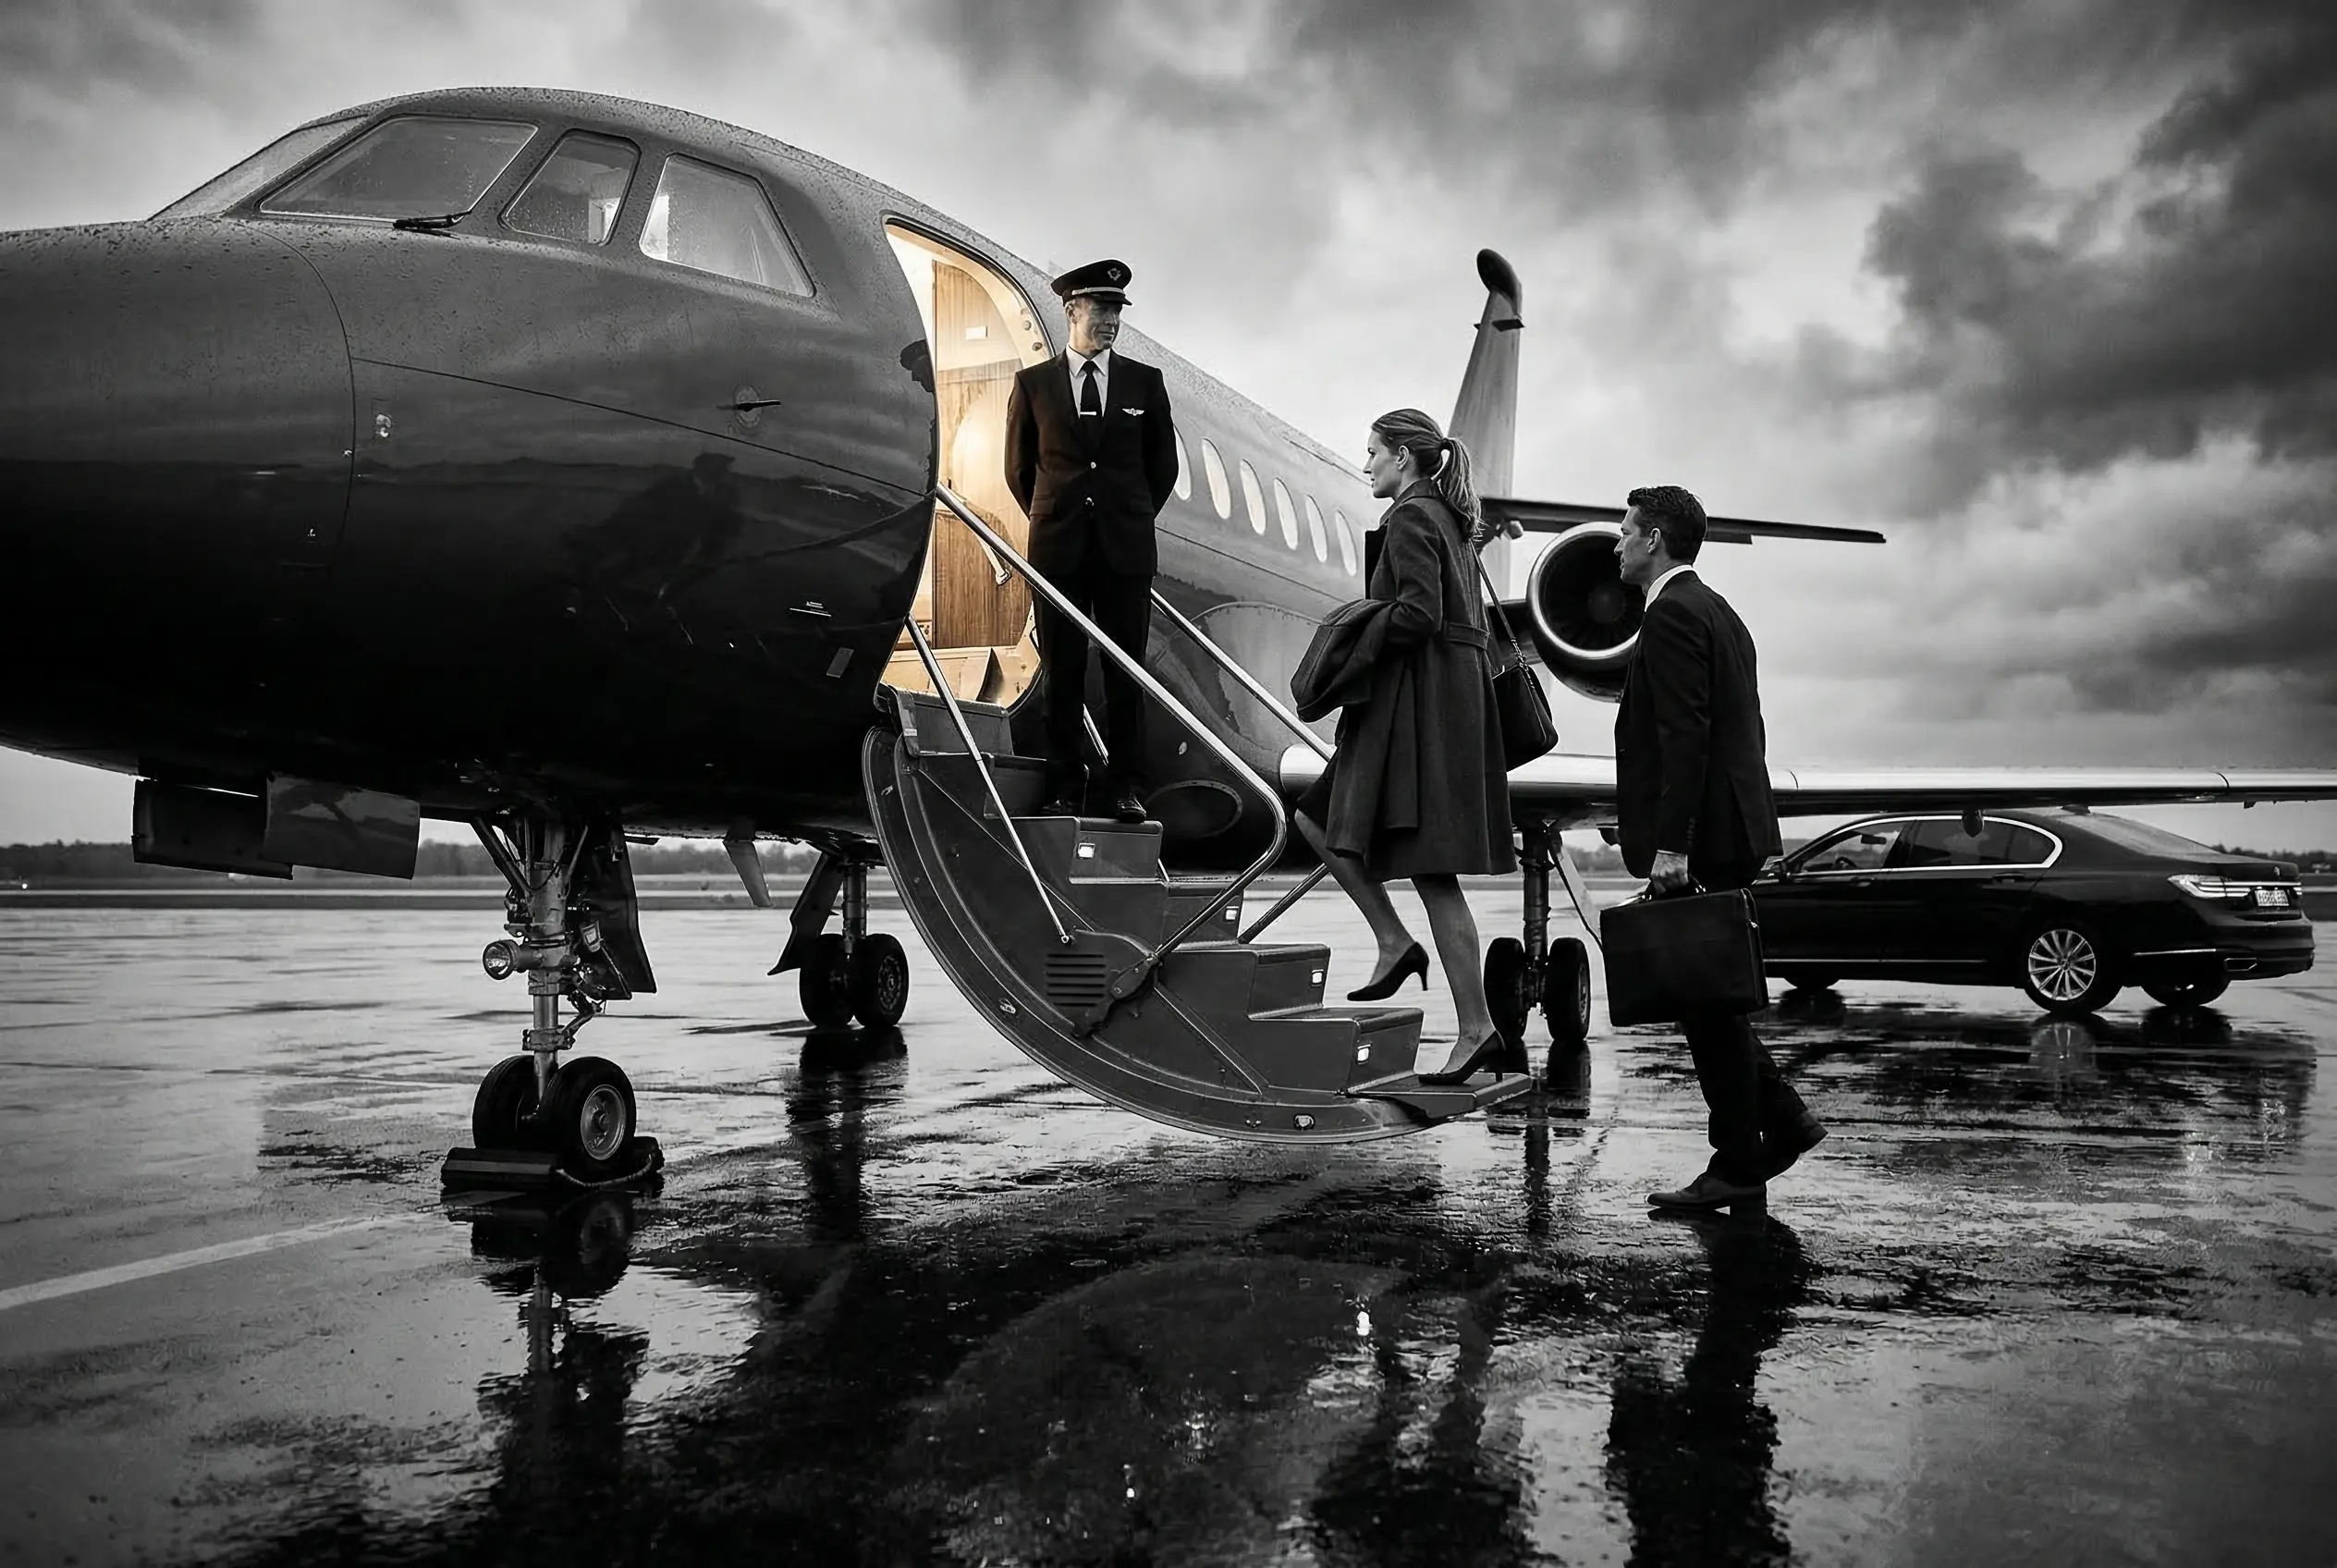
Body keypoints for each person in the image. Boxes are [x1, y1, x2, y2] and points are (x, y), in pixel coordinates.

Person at [1611, 484, 1827, 1209]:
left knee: (1706, 1006)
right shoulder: (1718, 611)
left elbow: (1686, 737)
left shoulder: (1672, 615)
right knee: (1712, 1001)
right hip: (1732, 827)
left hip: (1702, 838)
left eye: (1625, 531)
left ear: (1654, 541)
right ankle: (1783, 1121)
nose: (1615, 543)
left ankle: (1738, 1162)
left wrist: (1675, 845)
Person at [1291, 408, 1517, 1084]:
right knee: (1328, 818)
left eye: (1372, 453)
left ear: (1404, 458)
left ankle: (1474, 1025)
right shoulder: (1446, 520)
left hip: (1416, 712)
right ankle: (1396, 944)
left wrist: (1351, 627)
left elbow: (1418, 614)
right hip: (1440, 707)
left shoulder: (1413, 518)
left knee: (1426, 870)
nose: (1365, 465)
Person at [1004, 258, 1179, 823]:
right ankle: (1064, 782)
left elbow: (1163, 468)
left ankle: (1125, 785)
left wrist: (1123, 515)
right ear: (1071, 310)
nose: (1110, 320)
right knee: (1063, 671)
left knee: (1126, 670)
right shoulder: (1032, 386)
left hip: (1125, 551)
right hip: (1059, 549)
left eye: (1116, 311)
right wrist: (1060, 515)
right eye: (1101, 309)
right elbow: (1018, 471)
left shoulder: (1143, 383)